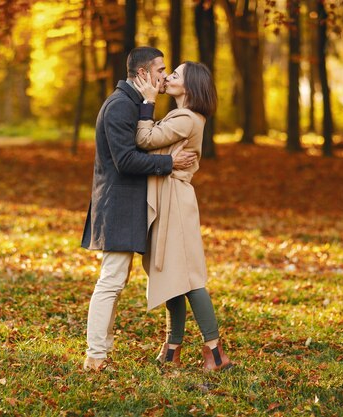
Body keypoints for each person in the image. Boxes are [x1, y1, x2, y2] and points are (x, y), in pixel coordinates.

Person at [81, 47, 198, 371]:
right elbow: (126, 160)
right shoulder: (120, 106)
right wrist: (169, 162)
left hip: (129, 204)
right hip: (118, 204)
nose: (165, 74)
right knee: (112, 280)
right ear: (144, 73)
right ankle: (95, 356)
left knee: (117, 280)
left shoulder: (135, 103)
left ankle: (99, 352)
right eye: (161, 69)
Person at [133, 61, 233, 371]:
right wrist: (165, 159)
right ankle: (172, 348)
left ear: (188, 86)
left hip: (175, 199)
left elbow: (145, 141)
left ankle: (214, 351)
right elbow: (155, 147)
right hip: (169, 197)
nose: (168, 77)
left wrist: (148, 102)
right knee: (171, 275)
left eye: (175, 75)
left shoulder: (187, 118)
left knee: (188, 276)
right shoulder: (181, 116)